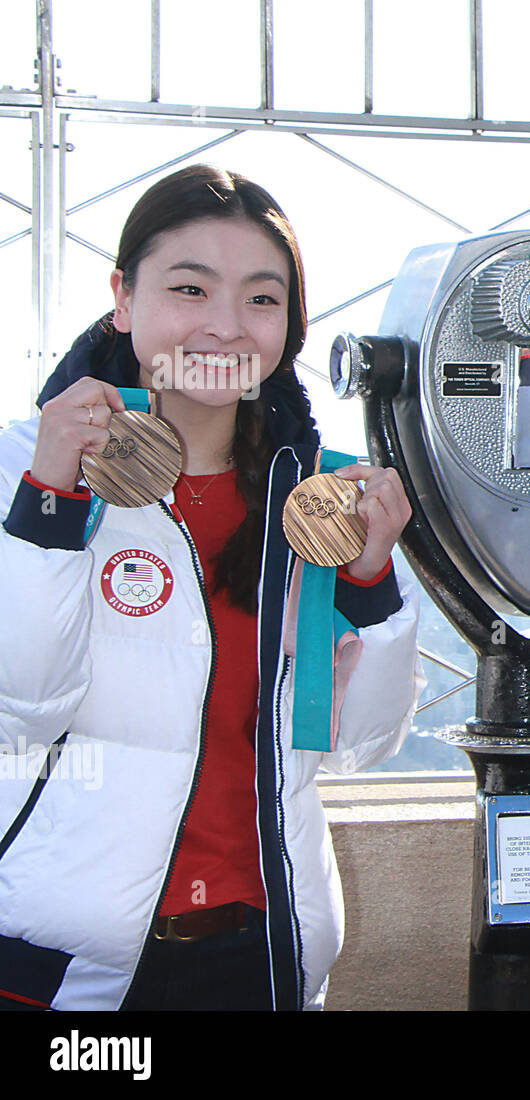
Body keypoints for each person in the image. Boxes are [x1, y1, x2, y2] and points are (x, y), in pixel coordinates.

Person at [0, 164, 422, 1011]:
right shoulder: (25, 463)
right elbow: (19, 710)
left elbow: (356, 745)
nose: (226, 328)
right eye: (190, 288)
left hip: (261, 950)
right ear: (123, 298)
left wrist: (373, 582)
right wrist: (49, 503)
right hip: (65, 964)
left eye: (262, 300)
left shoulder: (318, 500)